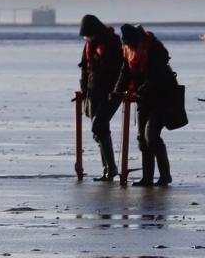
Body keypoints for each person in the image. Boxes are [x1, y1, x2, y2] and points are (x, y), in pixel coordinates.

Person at [113, 24, 181, 187]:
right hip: (144, 99)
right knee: (143, 140)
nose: (127, 44)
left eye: (129, 41)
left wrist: (140, 91)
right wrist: (117, 90)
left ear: (137, 39)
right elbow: (126, 72)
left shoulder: (155, 49)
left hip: (162, 98)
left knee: (151, 136)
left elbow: (157, 76)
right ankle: (147, 177)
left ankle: (165, 175)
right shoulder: (129, 50)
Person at [75, 15, 124, 181]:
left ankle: (111, 168)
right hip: (93, 92)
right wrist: (83, 88)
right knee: (100, 130)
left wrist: (116, 90)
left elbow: (118, 68)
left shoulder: (113, 42)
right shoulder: (88, 46)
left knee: (99, 125)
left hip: (111, 91)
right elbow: (85, 69)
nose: (88, 38)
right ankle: (108, 169)